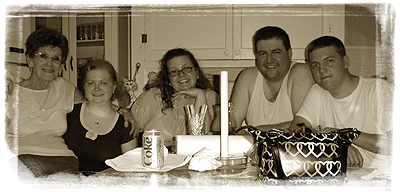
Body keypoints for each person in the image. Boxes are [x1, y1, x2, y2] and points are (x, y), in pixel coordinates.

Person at [288, 36, 393, 169]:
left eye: (329, 61)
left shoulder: (379, 90)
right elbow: (295, 131)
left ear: (345, 62)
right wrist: (336, 145)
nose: (322, 70)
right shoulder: (317, 92)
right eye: (315, 65)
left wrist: (346, 135)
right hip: (345, 179)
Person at [5, 27, 82, 177]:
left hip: (64, 158)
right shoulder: (11, 91)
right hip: (22, 158)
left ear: (61, 65)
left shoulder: (64, 87)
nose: (50, 63)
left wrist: (120, 110)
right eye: (43, 56)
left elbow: (95, 103)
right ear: (30, 60)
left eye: (56, 59)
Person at [230, 26, 314, 131]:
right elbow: (231, 126)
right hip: (255, 146)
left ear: (289, 54)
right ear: (256, 56)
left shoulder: (300, 72)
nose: (269, 60)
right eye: (262, 54)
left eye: (276, 52)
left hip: (292, 147)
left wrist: (254, 131)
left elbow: (302, 126)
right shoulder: (247, 77)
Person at [131, 48, 218, 147]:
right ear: (168, 79)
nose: (181, 74)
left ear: (197, 73)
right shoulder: (154, 96)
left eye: (186, 68)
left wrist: (200, 96)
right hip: (155, 158)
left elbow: (206, 141)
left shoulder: (210, 97)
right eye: (174, 71)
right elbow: (128, 129)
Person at [63, 60, 136, 176]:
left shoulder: (125, 123)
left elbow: (131, 170)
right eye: (91, 83)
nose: (97, 89)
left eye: (104, 83)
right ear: (83, 86)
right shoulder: (69, 113)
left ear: (114, 87)